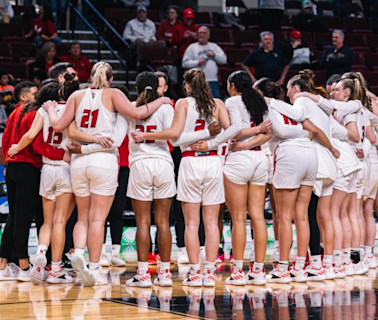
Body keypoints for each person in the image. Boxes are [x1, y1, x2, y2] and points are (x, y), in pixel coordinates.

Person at [42, 61, 172, 286]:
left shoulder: (77, 96)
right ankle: (93, 268)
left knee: (82, 217)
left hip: (78, 162)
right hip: (103, 160)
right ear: (110, 79)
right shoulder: (113, 95)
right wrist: (161, 99)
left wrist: (51, 110)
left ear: (91, 76)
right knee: (98, 219)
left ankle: (79, 253)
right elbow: (137, 111)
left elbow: (58, 126)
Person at [131, 69, 230, 287]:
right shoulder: (218, 104)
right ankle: (210, 274)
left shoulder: (183, 104)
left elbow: (175, 139)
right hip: (213, 161)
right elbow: (231, 132)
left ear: (187, 86)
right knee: (212, 223)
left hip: (190, 160)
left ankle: (195, 274)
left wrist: (204, 137)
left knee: (192, 223)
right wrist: (211, 142)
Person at [8, 74, 79, 285]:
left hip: (47, 169)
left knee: (47, 221)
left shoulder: (42, 109)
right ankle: (55, 269)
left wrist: (15, 148)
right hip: (66, 168)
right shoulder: (74, 109)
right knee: (60, 221)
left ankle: (40, 253)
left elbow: (30, 136)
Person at [216, 71, 271, 286]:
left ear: (232, 85)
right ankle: (258, 270)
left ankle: (238, 271)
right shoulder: (260, 101)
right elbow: (267, 133)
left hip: (240, 160)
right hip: (259, 158)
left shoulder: (232, 101)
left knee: (238, 218)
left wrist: (245, 140)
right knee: (258, 216)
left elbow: (236, 130)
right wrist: (253, 137)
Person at [286, 70, 339, 280]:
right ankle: (328, 264)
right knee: (325, 216)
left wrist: (332, 147)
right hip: (329, 165)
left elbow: (314, 131)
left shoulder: (300, 102)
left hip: (315, 163)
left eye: (289, 88)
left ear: (297, 89)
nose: (287, 92)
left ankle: (313, 262)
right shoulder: (320, 104)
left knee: (307, 216)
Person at [182, 27, 227, 99]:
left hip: (212, 80)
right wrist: (198, 62)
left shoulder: (214, 46)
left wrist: (214, 55)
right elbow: (184, 63)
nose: (201, 35)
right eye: (199, 33)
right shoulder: (192, 47)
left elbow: (224, 60)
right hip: (197, 81)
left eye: (204, 33)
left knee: (216, 101)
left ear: (208, 35)